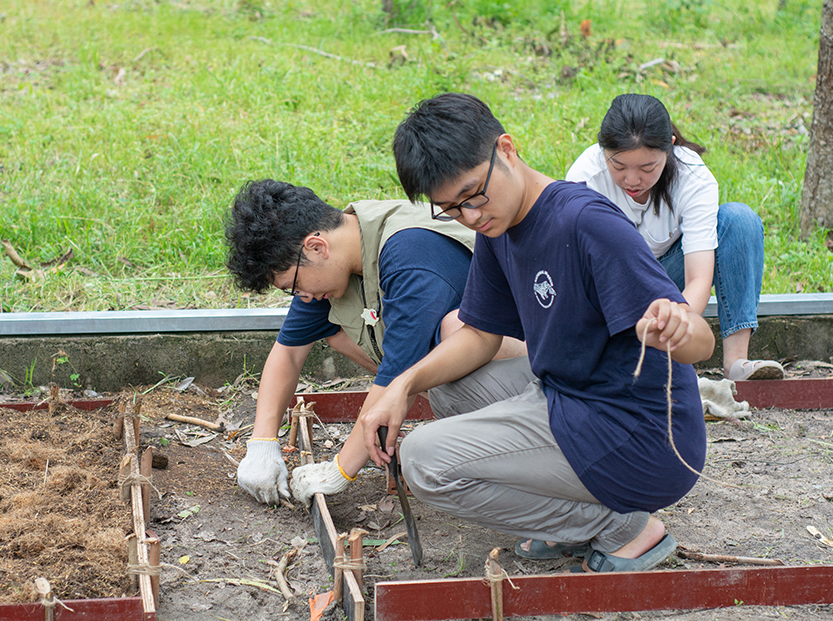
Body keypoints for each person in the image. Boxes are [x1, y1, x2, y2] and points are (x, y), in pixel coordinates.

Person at [291, 93, 715, 573]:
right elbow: (479, 335)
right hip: (570, 396)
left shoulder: (585, 223)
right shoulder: (500, 228)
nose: (470, 216)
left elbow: (701, 343)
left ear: (507, 150)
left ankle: (621, 528)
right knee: (447, 384)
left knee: (425, 463)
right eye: (451, 209)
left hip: (641, 436)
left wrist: (680, 328)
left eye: (474, 195)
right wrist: (403, 386)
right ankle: (572, 515)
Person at [224, 179, 523, 506]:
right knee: (336, 333)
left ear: (316, 247)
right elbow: (289, 353)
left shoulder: (407, 253)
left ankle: (515, 449)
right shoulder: (336, 255)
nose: (302, 297)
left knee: (454, 331)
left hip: (531, 369)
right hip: (444, 372)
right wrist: (262, 444)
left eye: (293, 287)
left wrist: (340, 470)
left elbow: (398, 375)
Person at [565, 94, 783, 382]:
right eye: (618, 166)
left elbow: (698, 278)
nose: (632, 180)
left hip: (669, 282)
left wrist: (676, 324)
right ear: (603, 150)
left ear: (669, 147)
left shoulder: (692, 175)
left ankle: (736, 363)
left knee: (739, 220)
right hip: (612, 285)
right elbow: (574, 270)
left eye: (647, 168)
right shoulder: (584, 178)